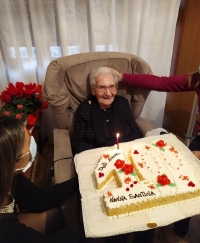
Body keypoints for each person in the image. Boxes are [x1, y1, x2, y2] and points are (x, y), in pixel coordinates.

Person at [110, 68, 200, 239]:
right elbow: (162, 82)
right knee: (184, 180)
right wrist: (123, 76)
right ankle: (178, 229)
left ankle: (180, 235)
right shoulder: (196, 79)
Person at [72, 67, 155, 243]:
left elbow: (136, 133)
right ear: (93, 90)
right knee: (114, 207)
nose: (108, 92)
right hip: (98, 162)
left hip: (124, 158)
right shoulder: (84, 110)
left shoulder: (123, 104)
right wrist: (106, 152)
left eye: (112, 86)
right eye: (102, 87)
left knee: (142, 201)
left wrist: (120, 151)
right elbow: (78, 143)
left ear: (117, 88)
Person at [0, 116, 81, 243]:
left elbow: (39, 198)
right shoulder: (4, 229)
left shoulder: (8, 173)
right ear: (17, 160)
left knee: (55, 215)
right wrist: (90, 226)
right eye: (28, 143)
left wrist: (80, 181)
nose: (32, 142)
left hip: (12, 221)